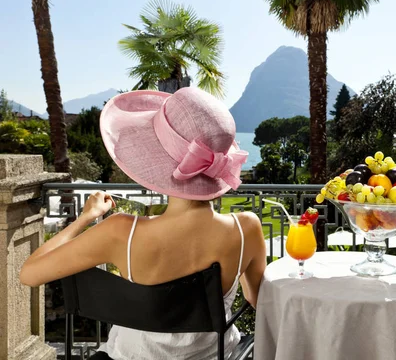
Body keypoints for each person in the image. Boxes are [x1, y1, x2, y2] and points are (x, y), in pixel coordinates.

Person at [20, 87, 267, 359]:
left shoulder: (121, 232)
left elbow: (29, 274)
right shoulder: (246, 228)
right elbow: (257, 300)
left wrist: (85, 218)